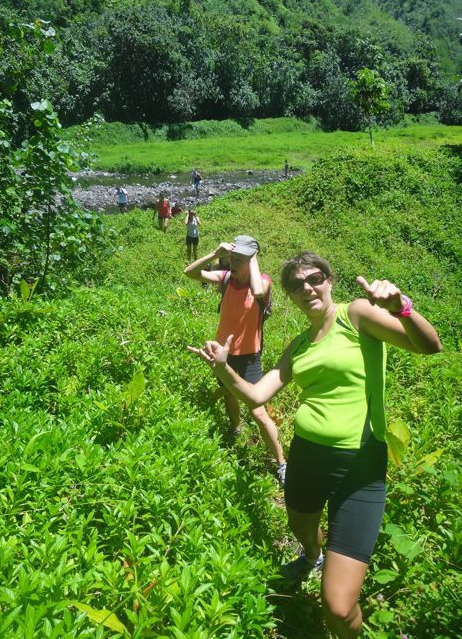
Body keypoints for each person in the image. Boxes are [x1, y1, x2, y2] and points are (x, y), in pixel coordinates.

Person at [188, 251, 442, 638]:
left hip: (359, 464)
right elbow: (256, 396)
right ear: (289, 295)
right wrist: (222, 368)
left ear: (329, 280)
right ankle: (311, 557)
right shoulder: (298, 345)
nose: (307, 287)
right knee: (300, 524)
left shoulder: (355, 314)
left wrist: (402, 308)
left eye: (315, 278)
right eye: (296, 284)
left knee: (339, 607)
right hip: (306, 455)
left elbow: (429, 346)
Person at [184, 236, 287, 486]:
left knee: (259, 411)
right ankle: (235, 429)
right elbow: (190, 273)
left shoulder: (262, 282)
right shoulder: (226, 278)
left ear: (252, 260)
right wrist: (213, 253)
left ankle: (282, 464)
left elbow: (259, 291)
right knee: (230, 394)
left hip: (250, 356)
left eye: (239, 259)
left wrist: (252, 259)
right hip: (224, 353)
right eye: (232, 257)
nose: (233, 262)